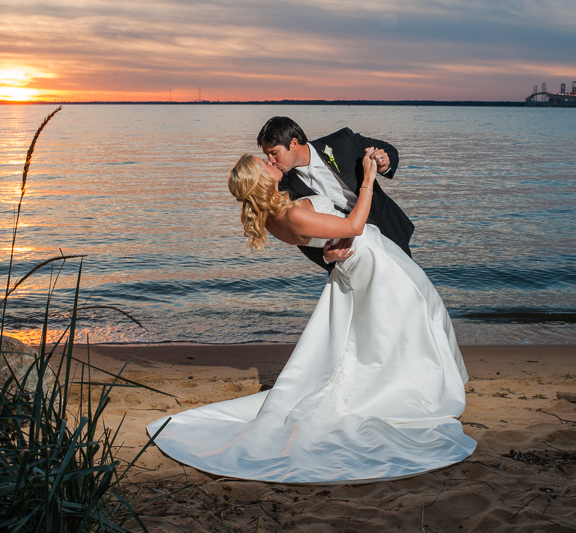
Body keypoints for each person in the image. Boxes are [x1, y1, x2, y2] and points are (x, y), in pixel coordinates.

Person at [146, 151, 475, 484]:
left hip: (363, 261)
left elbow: (324, 240)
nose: (270, 161)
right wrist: (368, 179)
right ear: (261, 180)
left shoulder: (275, 214)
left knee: (397, 325)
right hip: (372, 262)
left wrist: (328, 253)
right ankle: (419, 391)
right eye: (264, 163)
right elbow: (354, 226)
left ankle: (419, 382)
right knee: (411, 318)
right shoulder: (288, 216)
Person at [257, 116, 414, 271]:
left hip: (389, 232)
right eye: (267, 155)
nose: (270, 160)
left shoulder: (342, 141)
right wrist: (325, 257)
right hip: (353, 258)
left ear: (293, 143)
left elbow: (388, 150)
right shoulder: (284, 189)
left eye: (274, 153)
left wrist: (384, 164)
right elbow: (301, 233)